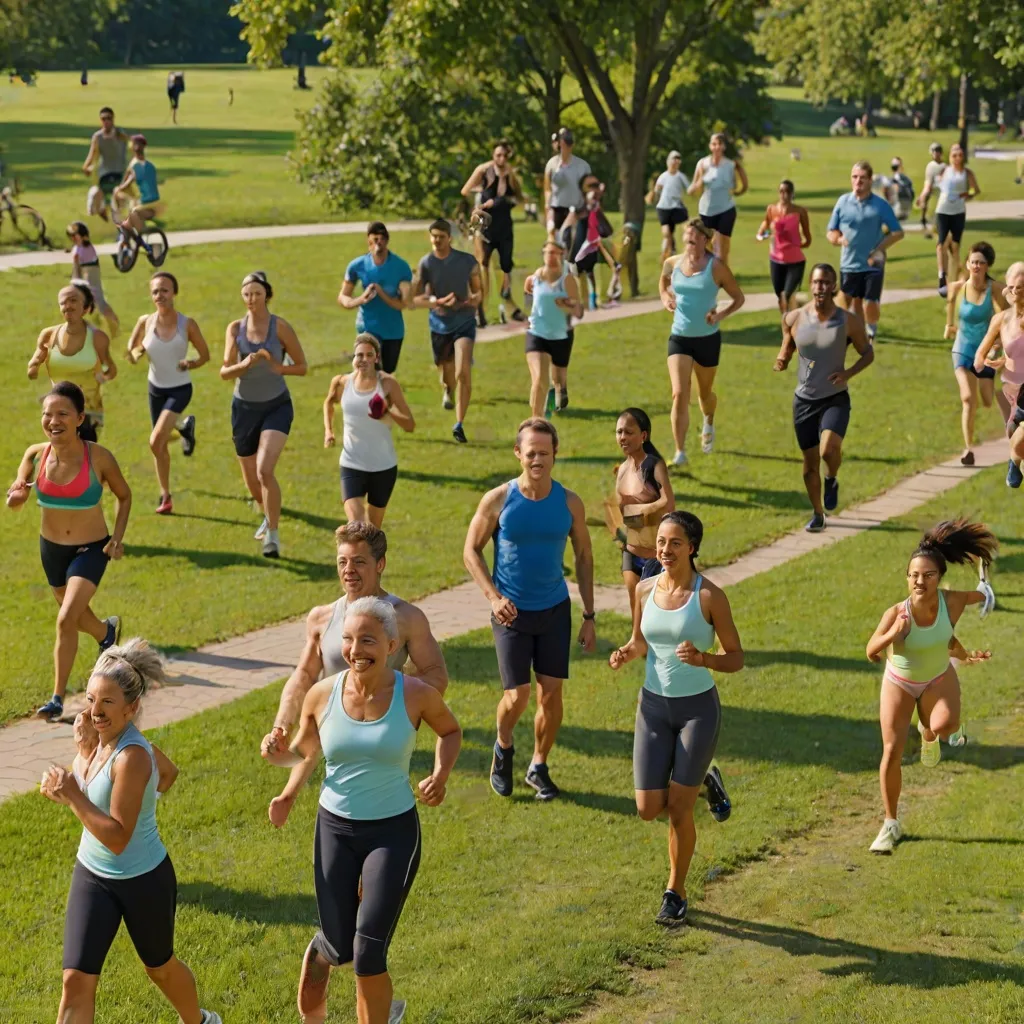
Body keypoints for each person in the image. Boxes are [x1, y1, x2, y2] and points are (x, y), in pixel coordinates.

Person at [263, 597, 461, 1024]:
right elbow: (306, 752)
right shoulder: (322, 695)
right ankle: (322, 956)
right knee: (339, 947)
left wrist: (440, 775)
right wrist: (283, 775)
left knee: (369, 951)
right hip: (334, 829)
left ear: (391, 645)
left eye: (368, 640)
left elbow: (449, 731)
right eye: (349, 640)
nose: (356, 650)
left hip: (393, 833)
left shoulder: (415, 694)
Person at [39, 638, 221, 1024]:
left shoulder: (135, 755)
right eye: (91, 699)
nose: (95, 710)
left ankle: (201, 1021)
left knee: (160, 968)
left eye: (107, 701)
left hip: (143, 879)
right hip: (93, 873)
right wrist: (78, 769)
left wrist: (75, 796)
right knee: (74, 980)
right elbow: (167, 775)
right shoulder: (96, 737)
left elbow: (120, 837)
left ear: (131, 707)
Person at [609, 511, 743, 925]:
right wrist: (625, 652)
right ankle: (705, 777)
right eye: (662, 543)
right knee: (649, 808)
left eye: (675, 543)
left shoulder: (709, 597)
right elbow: (639, 642)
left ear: (692, 548)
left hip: (697, 711)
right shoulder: (644, 589)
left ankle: (675, 892)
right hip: (653, 709)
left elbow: (736, 657)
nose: (665, 550)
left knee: (679, 809)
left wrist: (704, 659)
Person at [260, 521, 449, 816]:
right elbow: (304, 675)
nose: (349, 570)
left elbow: (436, 675)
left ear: (380, 564)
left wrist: (392, 695)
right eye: (342, 562)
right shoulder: (321, 618)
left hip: (380, 731)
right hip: (334, 728)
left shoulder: (406, 618)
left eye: (359, 562)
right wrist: (281, 726)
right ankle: (288, 797)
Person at [463, 418, 597, 801]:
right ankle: (503, 746)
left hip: (554, 609)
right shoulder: (498, 500)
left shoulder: (569, 502)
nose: (537, 459)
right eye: (531, 453)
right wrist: (494, 598)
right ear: (518, 454)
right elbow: (471, 551)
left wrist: (589, 616)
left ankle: (538, 765)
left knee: (550, 695)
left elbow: (584, 556)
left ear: (555, 455)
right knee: (517, 695)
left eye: (544, 453)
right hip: (511, 612)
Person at [866, 521, 997, 853]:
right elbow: (871, 651)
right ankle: (890, 824)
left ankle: (931, 733)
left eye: (927, 575)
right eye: (913, 575)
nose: (919, 581)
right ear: (907, 578)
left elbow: (980, 595)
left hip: (937, 678)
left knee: (944, 726)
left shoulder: (952, 602)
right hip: (899, 683)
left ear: (939, 577)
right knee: (891, 751)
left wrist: (986, 590)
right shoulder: (896, 613)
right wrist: (893, 634)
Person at [6, 381, 130, 720]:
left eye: (62, 413)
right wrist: (16, 495)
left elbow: (124, 496)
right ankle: (106, 633)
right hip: (51, 550)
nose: (53, 421)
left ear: (80, 418)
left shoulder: (98, 457)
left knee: (65, 619)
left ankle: (57, 699)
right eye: (47, 414)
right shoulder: (36, 454)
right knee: (75, 615)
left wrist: (117, 538)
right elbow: (18, 491)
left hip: (91, 549)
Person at [773, 264, 874, 532]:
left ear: (834, 286)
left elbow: (868, 353)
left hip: (834, 397)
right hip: (803, 401)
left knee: (828, 450)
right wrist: (783, 356)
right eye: (817, 282)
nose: (821, 287)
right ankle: (818, 514)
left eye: (826, 282)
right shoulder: (795, 317)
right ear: (810, 285)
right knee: (809, 466)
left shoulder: (848, 320)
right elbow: (788, 339)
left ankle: (832, 477)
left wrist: (848, 373)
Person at [221, 271, 308, 558]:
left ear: (267, 295)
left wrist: (279, 367)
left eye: (257, 293)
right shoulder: (235, 329)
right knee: (252, 481)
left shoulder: (279, 327)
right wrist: (244, 365)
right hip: (244, 409)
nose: (252, 299)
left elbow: (302, 366)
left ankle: (272, 535)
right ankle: (267, 513)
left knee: (264, 470)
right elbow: (224, 371)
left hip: (276, 406)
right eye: (247, 294)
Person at [659, 219, 745, 465]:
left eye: (694, 237)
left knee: (705, 394)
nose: (689, 241)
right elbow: (663, 281)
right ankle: (680, 452)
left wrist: (719, 315)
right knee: (679, 393)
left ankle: (708, 421)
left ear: (705, 240)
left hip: (707, 339)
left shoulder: (716, 267)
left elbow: (738, 298)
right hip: (680, 337)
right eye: (687, 236)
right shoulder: (674, 263)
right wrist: (666, 298)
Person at [125, 272, 210, 514]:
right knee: (159, 444)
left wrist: (190, 363)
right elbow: (131, 349)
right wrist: (136, 353)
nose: (159, 295)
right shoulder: (145, 322)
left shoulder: (187, 324)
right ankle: (166, 494)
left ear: (174, 293)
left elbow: (205, 355)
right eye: (155, 291)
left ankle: (165, 494)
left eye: (164, 290)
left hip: (180, 388)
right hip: (155, 389)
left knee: (155, 441)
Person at [323, 334, 415, 527]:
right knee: (357, 524)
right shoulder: (342, 383)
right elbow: (328, 403)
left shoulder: (388, 384)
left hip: (383, 466)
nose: (363, 359)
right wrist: (328, 431)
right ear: (354, 357)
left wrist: (388, 412)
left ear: (377, 358)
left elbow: (410, 425)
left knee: (373, 531)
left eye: (369, 355)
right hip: (351, 462)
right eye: (359, 355)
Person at [411, 219, 482, 444]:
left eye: (441, 237)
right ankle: (447, 389)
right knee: (446, 370)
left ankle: (459, 423)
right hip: (439, 323)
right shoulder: (426, 263)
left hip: (464, 321)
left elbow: (478, 292)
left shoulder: (467, 261)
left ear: (449, 238)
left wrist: (472, 300)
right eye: (434, 236)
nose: (437, 240)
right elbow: (416, 297)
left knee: (463, 372)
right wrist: (437, 301)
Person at [945, 242, 1010, 466]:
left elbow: (1005, 319)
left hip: (985, 351)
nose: (976, 266)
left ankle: (1006, 406)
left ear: (987, 265)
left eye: (981, 262)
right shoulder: (959, 287)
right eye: (973, 262)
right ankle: (968, 449)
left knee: (987, 400)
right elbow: (950, 302)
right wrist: (949, 326)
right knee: (967, 398)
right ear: (967, 264)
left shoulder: (995, 289)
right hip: (963, 348)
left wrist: (997, 345)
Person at [826, 161, 905, 343]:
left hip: (873, 263)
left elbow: (897, 232)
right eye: (854, 177)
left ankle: (871, 327)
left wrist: (879, 249)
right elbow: (831, 232)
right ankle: (854, 334)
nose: (858, 181)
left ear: (870, 180)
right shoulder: (843, 202)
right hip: (849, 262)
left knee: (870, 303)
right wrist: (838, 240)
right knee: (849, 301)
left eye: (862, 178)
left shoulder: (880, 205)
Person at [28, 282, 117, 442]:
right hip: (58, 411)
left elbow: (111, 368)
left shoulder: (97, 338)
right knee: (60, 453)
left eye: (73, 300)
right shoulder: (48, 335)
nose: (68, 305)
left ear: (86, 307)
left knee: (83, 453)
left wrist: (104, 374)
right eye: (63, 302)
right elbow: (36, 359)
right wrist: (33, 367)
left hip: (87, 412)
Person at [614, 408, 675, 614]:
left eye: (628, 432)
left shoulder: (654, 466)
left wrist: (642, 511)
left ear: (643, 436)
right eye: (619, 432)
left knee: (657, 613)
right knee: (637, 611)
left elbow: (668, 503)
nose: (623, 437)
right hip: (631, 552)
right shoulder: (622, 470)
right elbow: (624, 513)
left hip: (655, 556)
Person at [461, 140, 527, 325]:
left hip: (504, 225)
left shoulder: (511, 175)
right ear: (493, 156)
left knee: (505, 267)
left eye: (505, 155)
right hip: (485, 226)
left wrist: (502, 201)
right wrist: (480, 201)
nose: (501, 159)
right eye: (498, 155)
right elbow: (465, 190)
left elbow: (519, 198)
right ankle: (480, 311)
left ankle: (509, 307)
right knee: (482, 266)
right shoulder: (484, 170)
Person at [973, 261, 1024, 488]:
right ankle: (1015, 459)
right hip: (1014, 389)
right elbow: (979, 356)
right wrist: (989, 360)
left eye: (1020, 287)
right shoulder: (1001, 320)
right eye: (1012, 287)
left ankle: (1015, 458)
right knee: (1017, 441)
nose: (1015, 292)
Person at [339, 223, 413, 375]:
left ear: (387, 240)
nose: (379, 243)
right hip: (367, 327)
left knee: (387, 372)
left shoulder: (401, 267)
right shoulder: (357, 266)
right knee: (368, 371)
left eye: (382, 239)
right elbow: (343, 297)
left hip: (392, 329)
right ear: (369, 241)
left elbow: (402, 304)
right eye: (375, 239)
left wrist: (380, 292)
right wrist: (360, 299)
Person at [523, 240, 583, 417]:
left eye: (555, 253)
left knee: (558, 378)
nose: (551, 256)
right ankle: (536, 419)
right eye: (548, 252)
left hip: (561, 335)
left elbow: (579, 312)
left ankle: (560, 391)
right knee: (539, 378)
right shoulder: (534, 279)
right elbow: (528, 298)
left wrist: (567, 305)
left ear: (562, 256)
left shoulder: (567, 280)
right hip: (537, 334)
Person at [919, 143, 979, 297]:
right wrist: (923, 197)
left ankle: (955, 279)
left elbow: (975, 190)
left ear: (963, 157)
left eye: (959, 155)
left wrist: (966, 195)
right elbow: (930, 186)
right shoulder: (944, 171)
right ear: (950, 157)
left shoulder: (967, 173)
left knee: (955, 246)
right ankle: (942, 276)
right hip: (942, 210)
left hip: (958, 211)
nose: (957, 158)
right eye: (954, 155)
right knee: (941, 244)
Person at [687, 132, 748, 268]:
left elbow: (741, 184)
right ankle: (708, 272)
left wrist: (739, 191)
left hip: (726, 209)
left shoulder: (730, 165)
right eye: (714, 144)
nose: (717, 147)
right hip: (706, 211)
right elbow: (692, 188)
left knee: (723, 247)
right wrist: (698, 183)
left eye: (720, 144)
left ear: (724, 146)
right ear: (710, 146)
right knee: (706, 246)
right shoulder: (702, 164)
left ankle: (723, 274)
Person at [755, 179, 812, 315]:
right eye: (781, 191)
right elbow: (765, 224)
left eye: (787, 192)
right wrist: (761, 234)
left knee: (786, 295)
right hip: (776, 260)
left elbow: (807, 238)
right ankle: (787, 321)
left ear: (792, 194)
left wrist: (795, 246)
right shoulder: (772, 209)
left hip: (795, 262)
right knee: (780, 297)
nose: (784, 195)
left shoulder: (800, 211)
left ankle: (792, 319)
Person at [113, 134, 164, 251]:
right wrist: (121, 189)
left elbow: (129, 181)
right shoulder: (142, 165)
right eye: (134, 144)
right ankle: (128, 245)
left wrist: (120, 188)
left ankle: (141, 240)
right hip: (140, 202)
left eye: (138, 144)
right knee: (126, 221)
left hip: (147, 204)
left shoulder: (143, 166)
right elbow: (126, 182)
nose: (136, 146)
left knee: (132, 215)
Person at [67, 221, 119, 335]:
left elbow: (77, 268)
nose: (73, 238)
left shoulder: (83, 249)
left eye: (75, 235)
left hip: (90, 275)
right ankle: (90, 327)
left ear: (83, 236)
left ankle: (114, 323)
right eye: (71, 236)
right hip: (86, 274)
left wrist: (74, 282)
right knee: (88, 303)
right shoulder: (80, 248)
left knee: (99, 303)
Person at [543, 128, 591, 242]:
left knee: (573, 243)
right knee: (557, 242)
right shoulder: (551, 164)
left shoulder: (583, 166)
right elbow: (547, 188)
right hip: (557, 209)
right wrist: (547, 205)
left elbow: (588, 190)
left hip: (576, 211)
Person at [82, 107, 128, 221]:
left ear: (113, 119)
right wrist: (86, 167)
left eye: (109, 118)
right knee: (94, 198)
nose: (106, 121)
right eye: (103, 119)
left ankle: (119, 218)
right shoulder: (97, 137)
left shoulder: (120, 134)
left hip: (119, 174)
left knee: (119, 201)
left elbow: (132, 145)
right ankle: (102, 210)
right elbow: (92, 154)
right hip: (104, 175)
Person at [649, 150, 691, 258]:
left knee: (688, 228)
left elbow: (690, 189)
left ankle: (687, 251)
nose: (676, 161)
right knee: (667, 233)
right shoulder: (663, 176)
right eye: (674, 159)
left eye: (678, 159)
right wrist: (655, 192)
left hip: (677, 207)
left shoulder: (681, 176)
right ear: (668, 162)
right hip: (663, 207)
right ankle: (666, 255)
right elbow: (656, 191)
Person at [917, 142, 945, 239]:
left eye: (938, 151)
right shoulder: (930, 166)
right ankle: (923, 219)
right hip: (931, 186)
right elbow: (928, 182)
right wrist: (923, 195)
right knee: (925, 200)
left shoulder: (944, 166)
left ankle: (938, 224)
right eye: (934, 151)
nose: (936, 153)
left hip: (941, 189)